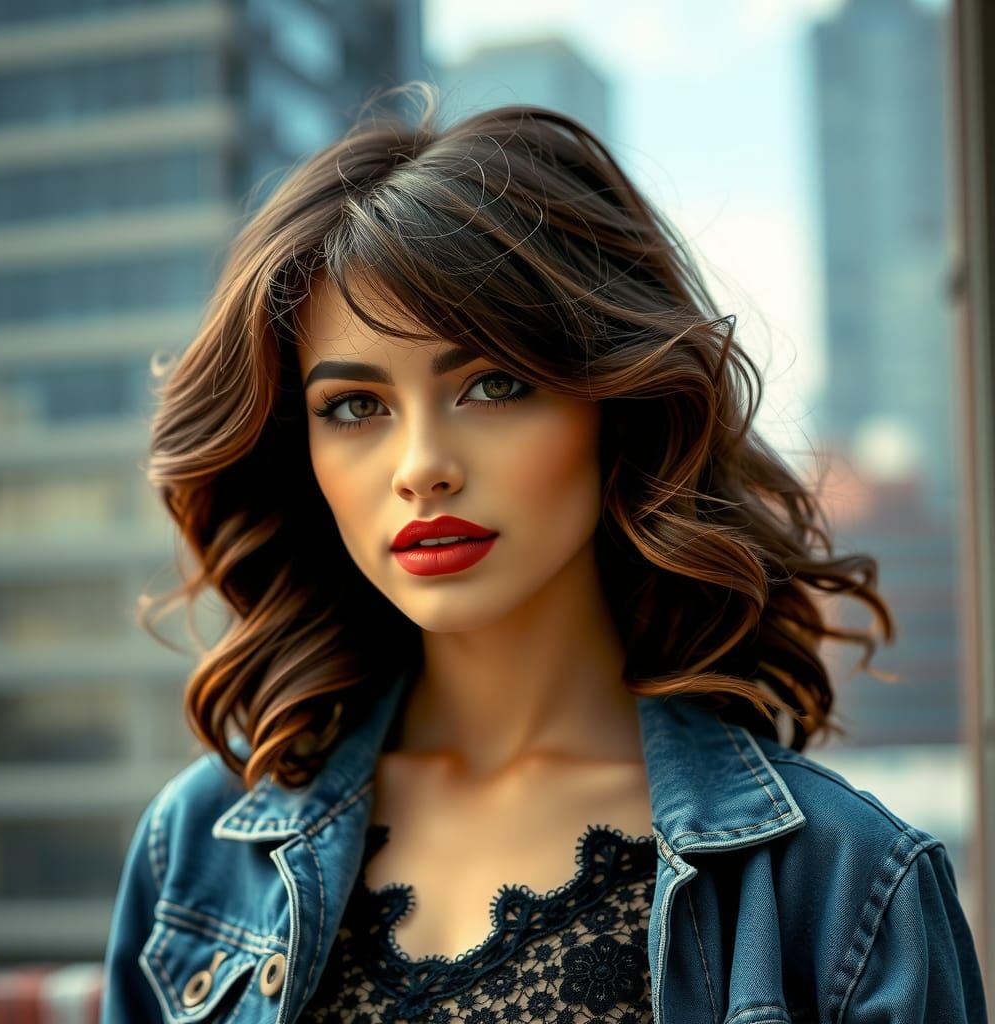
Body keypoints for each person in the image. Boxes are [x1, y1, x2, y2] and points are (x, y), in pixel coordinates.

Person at [100, 84, 988, 1024]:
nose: (422, 469)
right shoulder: (196, 853)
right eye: (355, 406)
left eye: (492, 385)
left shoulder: (845, 887)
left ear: (617, 402)